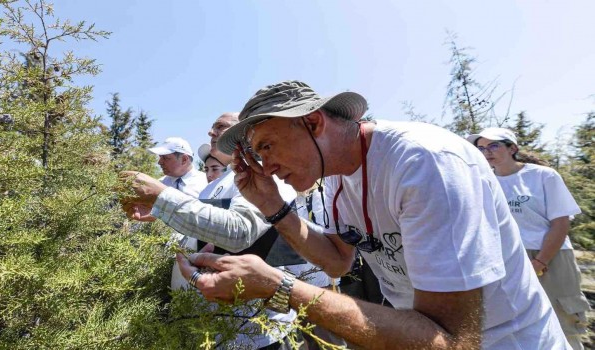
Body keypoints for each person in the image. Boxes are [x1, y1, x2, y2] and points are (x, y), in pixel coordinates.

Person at [175, 80, 570, 349]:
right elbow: (336, 260)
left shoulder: (423, 163)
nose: (266, 165)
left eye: (268, 145)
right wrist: (272, 207)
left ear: (313, 122)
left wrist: (280, 287)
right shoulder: (334, 178)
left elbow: (451, 340)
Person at [122, 112, 318, 349]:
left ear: (247, 132)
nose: (210, 132)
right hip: (218, 330)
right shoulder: (214, 185)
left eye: (220, 126)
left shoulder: (265, 176)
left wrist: (161, 197)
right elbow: (208, 231)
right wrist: (158, 212)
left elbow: (240, 231)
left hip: (256, 333)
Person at [468, 127, 591, 350]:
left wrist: (540, 262)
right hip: (507, 259)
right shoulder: (484, 181)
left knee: (563, 322)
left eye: (494, 145)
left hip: (550, 257)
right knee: (516, 325)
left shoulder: (543, 176)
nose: (487, 152)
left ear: (512, 148)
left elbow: (560, 223)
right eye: (481, 148)